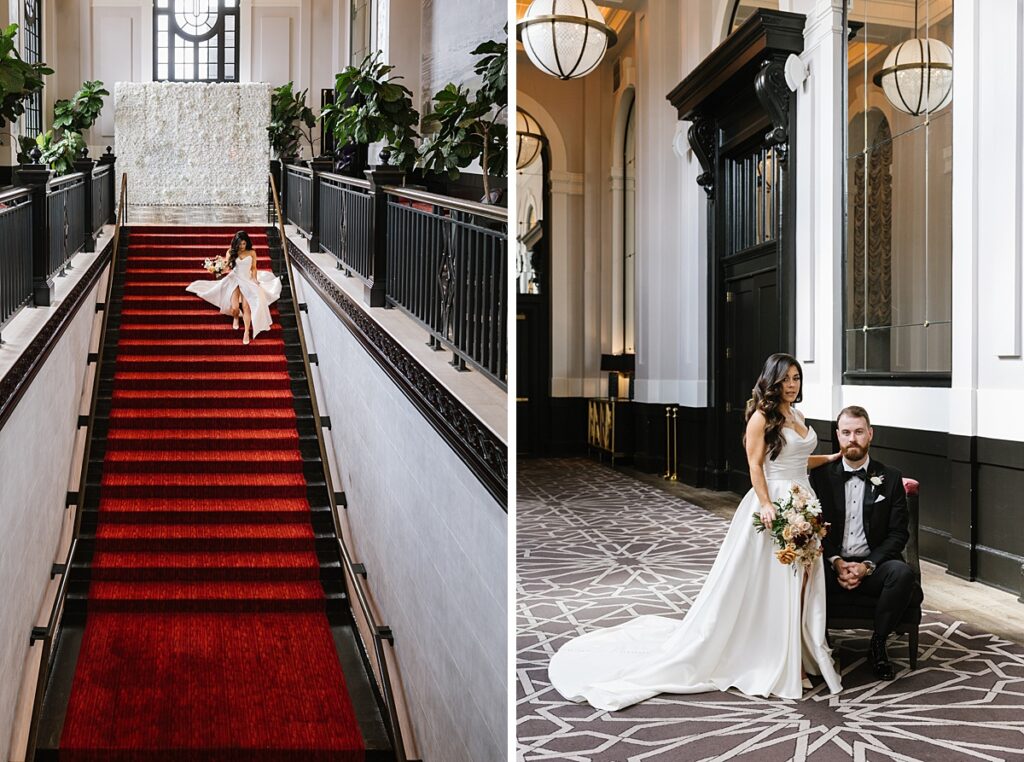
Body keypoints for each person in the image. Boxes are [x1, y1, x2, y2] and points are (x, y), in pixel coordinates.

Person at [548, 353, 844, 711]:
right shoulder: (761, 418)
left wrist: (827, 459)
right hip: (774, 506)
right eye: (786, 379)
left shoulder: (797, 415)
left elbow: (795, 459)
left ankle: (796, 652)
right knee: (773, 582)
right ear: (773, 381)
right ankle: (776, 658)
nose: (793, 385)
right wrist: (767, 505)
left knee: (800, 581)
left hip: (804, 501)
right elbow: (756, 466)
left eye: (797, 377)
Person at [809, 406, 923, 680]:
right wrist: (836, 561)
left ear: (870, 434)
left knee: (902, 573)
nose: (852, 439)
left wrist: (868, 566)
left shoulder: (892, 478)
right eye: (846, 432)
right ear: (837, 436)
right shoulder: (821, 476)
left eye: (859, 432)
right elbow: (815, 528)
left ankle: (878, 643)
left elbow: (898, 534)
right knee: (803, 570)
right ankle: (816, 645)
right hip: (832, 563)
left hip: (874, 565)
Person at [186, 231, 282, 345]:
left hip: (247, 280)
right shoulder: (231, 252)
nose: (241, 246)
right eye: (239, 244)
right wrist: (218, 269)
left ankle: (246, 331)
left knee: (246, 307)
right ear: (235, 243)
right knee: (235, 307)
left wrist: (255, 279)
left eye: (244, 244)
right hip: (234, 280)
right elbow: (227, 267)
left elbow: (254, 268)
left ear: (247, 243)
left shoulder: (252, 252)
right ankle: (236, 317)